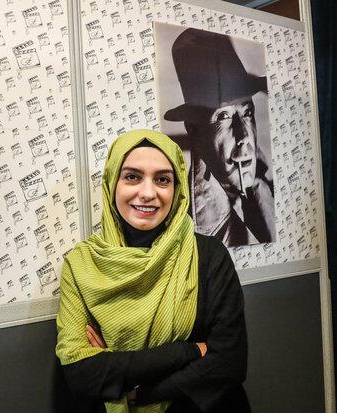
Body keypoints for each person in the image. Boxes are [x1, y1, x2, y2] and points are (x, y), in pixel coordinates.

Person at [56, 130, 249, 412]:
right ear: (112, 183)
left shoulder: (209, 256)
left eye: (162, 179)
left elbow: (229, 363)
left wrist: (134, 390)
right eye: (132, 177)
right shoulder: (82, 265)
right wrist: (189, 350)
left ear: (177, 189)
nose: (148, 193)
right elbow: (81, 374)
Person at [163, 27, 275, 247]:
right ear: (194, 130)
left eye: (247, 112)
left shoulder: (274, 191)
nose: (244, 136)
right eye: (223, 116)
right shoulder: (180, 226)